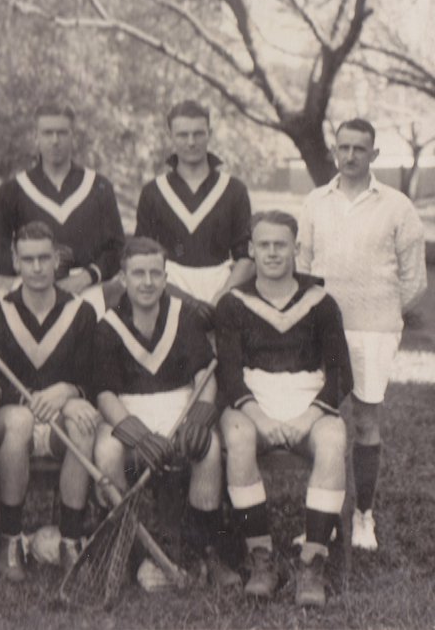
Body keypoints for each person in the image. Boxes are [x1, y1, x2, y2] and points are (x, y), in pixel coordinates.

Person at [297, 118, 427, 551]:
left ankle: (363, 516)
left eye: (360, 148)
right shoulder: (316, 201)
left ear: (374, 154)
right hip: (322, 331)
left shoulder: (397, 206)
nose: (350, 155)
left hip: (374, 330)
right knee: (322, 422)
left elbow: (414, 282)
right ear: (335, 150)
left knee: (366, 422)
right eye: (344, 147)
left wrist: (383, 311)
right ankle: (325, 517)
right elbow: (304, 267)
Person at [216, 211, 352, 607]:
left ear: (296, 249)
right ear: (250, 251)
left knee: (332, 438)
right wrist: (258, 416)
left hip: (306, 398)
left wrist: (310, 416)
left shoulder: (321, 303)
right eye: (264, 245)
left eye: (281, 245)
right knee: (238, 437)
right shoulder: (233, 303)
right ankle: (262, 559)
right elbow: (228, 374)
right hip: (253, 400)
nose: (273, 253)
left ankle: (312, 563)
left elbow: (341, 373)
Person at [92, 236, 238, 589]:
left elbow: (205, 374)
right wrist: (137, 435)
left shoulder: (183, 317)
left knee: (208, 448)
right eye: (138, 274)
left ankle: (204, 548)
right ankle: (124, 548)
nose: (147, 282)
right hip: (127, 410)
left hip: (180, 404)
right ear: (123, 279)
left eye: (155, 273)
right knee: (108, 451)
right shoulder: (108, 326)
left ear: (165, 276)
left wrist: (202, 414)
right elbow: (105, 393)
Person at [0, 221, 100, 579]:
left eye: (45, 258)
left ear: (57, 259)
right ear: (15, 261)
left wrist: (70, 392)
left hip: (59, 425)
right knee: (20, 421)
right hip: (7, 422)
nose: (38, 267)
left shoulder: (81, 313)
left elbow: (92, 376)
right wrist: (35, 400)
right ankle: (9, 539)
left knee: (84, 422)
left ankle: (70, 541)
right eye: (28, 259)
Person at [0, 103, 125, 317]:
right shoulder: (12, 191)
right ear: (36, 137)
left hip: (85, 288)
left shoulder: (98, 187)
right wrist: (34, 275)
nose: (55, 141)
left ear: (74, 136)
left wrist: (86, 277)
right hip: (30, 289)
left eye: (62, 133)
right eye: (47, 133)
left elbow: (117, 249)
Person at [135, 100, 253, 310]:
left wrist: (221, 299)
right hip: (169, 292)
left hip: (221, 290)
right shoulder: (153, 191)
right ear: (170, 135)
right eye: (182, 134)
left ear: (210, 133)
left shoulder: (234, 190)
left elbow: (246, 258)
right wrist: (182, 300)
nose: (191, 142)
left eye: (198, 133)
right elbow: (141, 256)